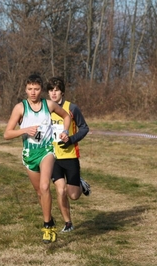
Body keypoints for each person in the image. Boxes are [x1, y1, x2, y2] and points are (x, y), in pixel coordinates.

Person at [4, 74, 71, 244]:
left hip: (46, 151)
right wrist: (24, 130)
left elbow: (67, 116)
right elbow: (7, 134)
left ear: (41, 90)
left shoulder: (48, 105)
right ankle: (50, 219)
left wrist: (65, 131)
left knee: (44, 186)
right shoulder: (20, 108)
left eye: (36, 89)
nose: (33, 92)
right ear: (25, 90)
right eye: (30, 89)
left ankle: (47, 226)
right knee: (40, 193)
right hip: (29, 154)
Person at [47, 76, 91, 233]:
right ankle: (68, 223)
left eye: (56, 90)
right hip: (52, 157)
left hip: (70, 155)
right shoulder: (44, 109)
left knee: (73, 195)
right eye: (51, 90)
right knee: (60, 190)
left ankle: (80, 183)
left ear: (62, 92)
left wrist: (71, 139)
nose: (53, 93)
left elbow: (84, 128)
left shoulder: (72, 108)